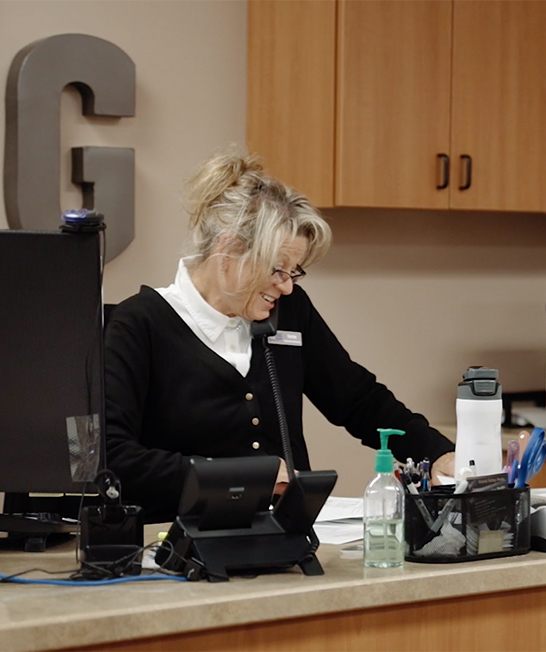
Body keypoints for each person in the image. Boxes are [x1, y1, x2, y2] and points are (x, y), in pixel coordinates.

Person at [104, 151, 455, 522]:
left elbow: (358, 399)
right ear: (228, 250)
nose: (286, 287)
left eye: (294, 272)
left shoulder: (288, 312)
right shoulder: (139, 324)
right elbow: (114, 455)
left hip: (284, 540)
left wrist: (434, 451)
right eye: (277, 270)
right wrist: (237, 478)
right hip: (174, 543)